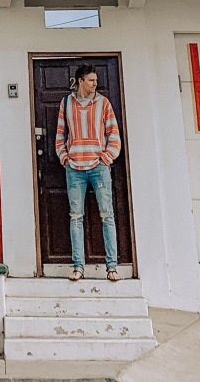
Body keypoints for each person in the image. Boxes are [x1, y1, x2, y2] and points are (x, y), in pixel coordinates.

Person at [54, 62, 121, 280]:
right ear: (80, 81)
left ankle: (111, 267)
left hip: (99, 168)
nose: (95, 84)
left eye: (96, 81)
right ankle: (78, 267)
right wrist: (64, 157)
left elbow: (114, 135)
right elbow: (60, 134)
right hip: (74, 168)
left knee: (106, 215)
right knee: (75, 217)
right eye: (91, 80)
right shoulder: (66, 103)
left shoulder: (104, 103)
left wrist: (106, 158)